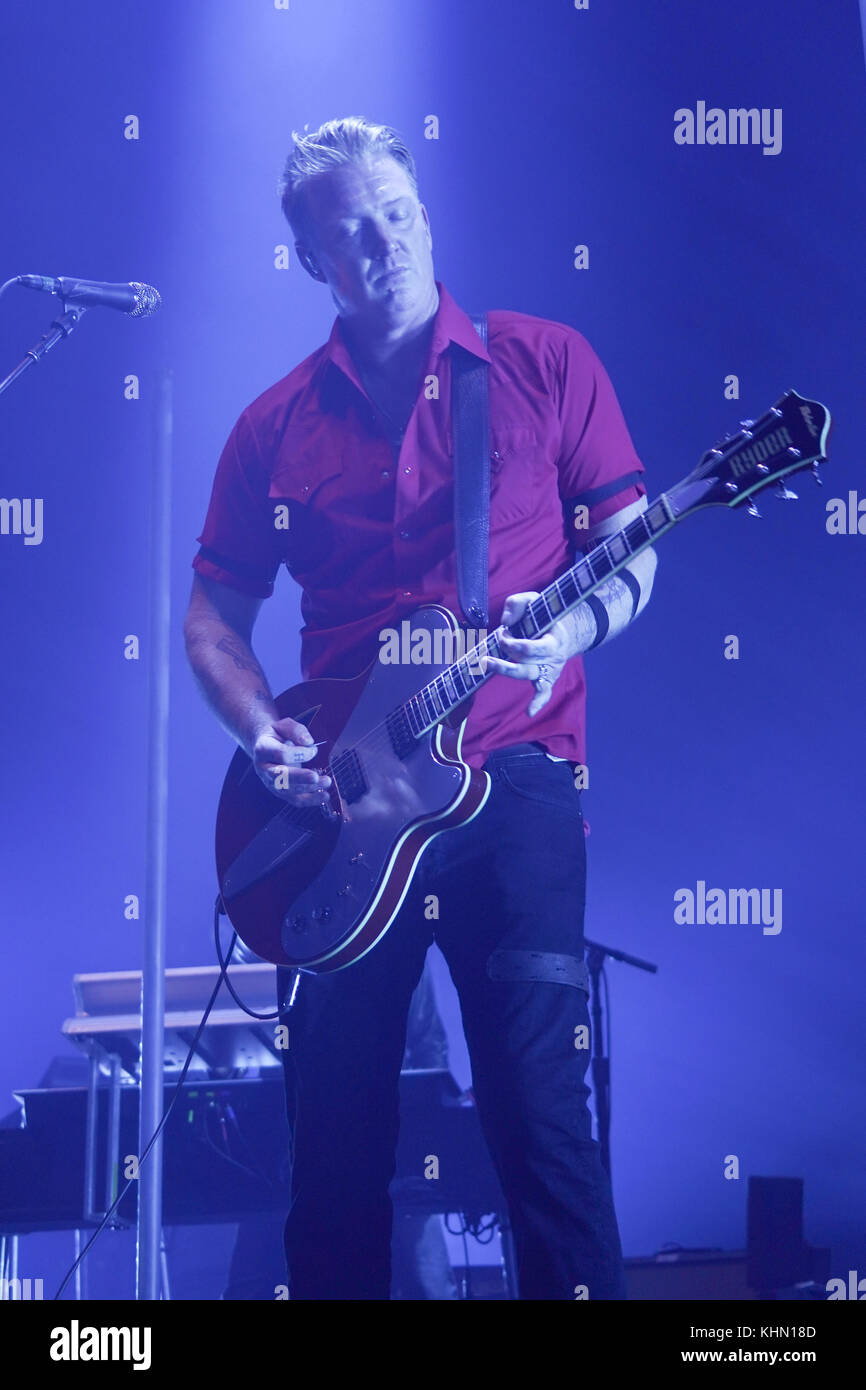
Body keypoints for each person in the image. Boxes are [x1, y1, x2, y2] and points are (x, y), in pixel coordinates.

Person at [184, 117, 657, 1300]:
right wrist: (260, 732)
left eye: (394, 211)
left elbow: (633, 550)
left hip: (514, 776)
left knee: (541, 1122)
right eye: (347, 232)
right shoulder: (272, 425)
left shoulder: (542, 363)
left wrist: (572, 629)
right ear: (310, 264)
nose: (379, 241)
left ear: (425, 213)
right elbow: (209, 618)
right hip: (338, 813)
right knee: (334, 1159)